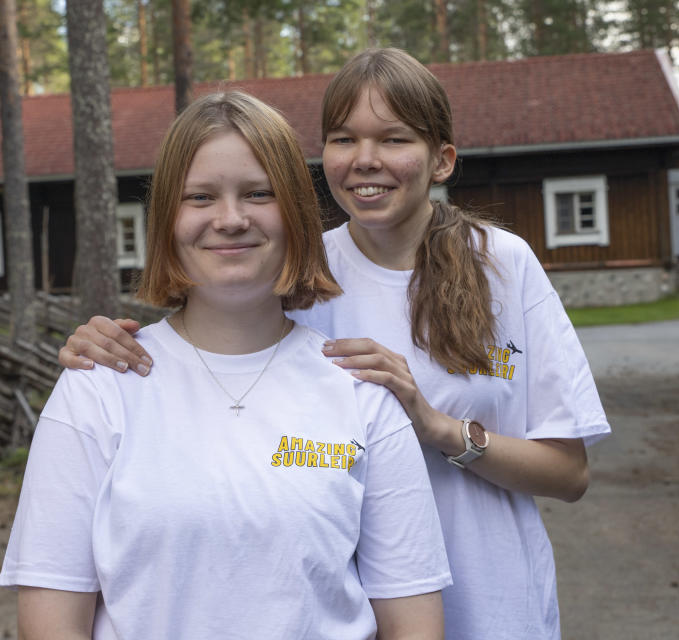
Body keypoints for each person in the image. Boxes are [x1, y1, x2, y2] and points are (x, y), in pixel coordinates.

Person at [58, 49, 611, 639]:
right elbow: (207, 354)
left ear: (442, 160)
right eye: (345, 139)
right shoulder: (300, 273)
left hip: (496, 604)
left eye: (394, 139)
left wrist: (439, 427)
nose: (366, 160)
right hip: (359, 611)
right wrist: (100, 345)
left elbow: (568, 473)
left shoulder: (502, 264)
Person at [0, 90, 451, 640]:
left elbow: (415, 624)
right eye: (201, 197)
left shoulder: (361, 393)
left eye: (258, 193)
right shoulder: (99, 389)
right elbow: (50, 620)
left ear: (295, 214)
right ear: (167, 217)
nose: (231, 219)